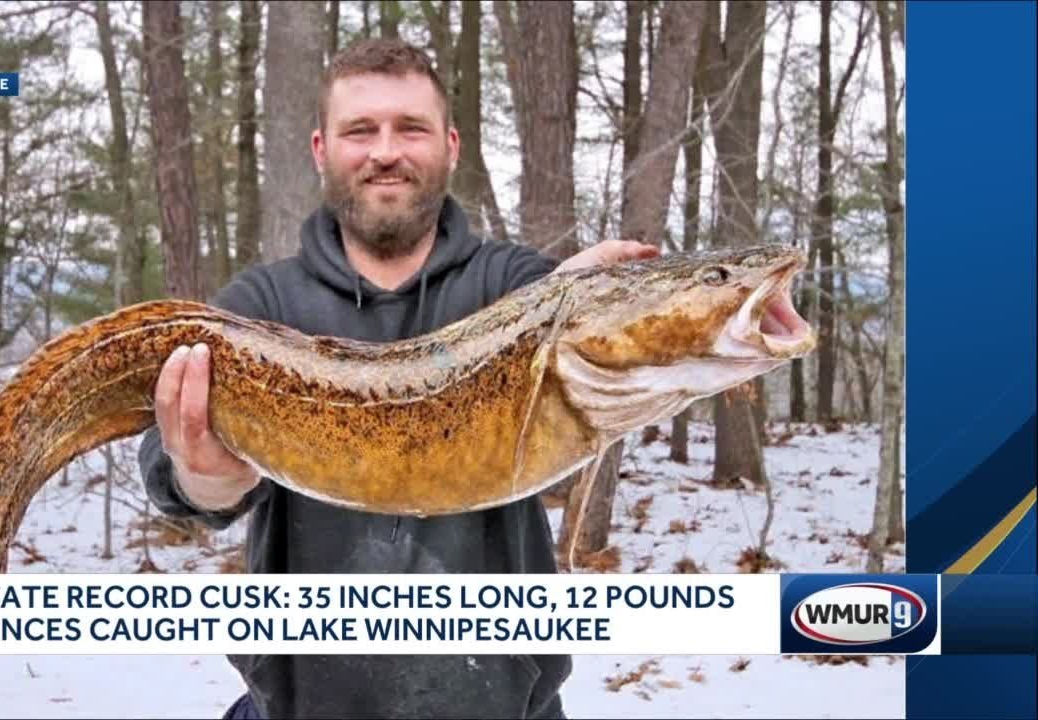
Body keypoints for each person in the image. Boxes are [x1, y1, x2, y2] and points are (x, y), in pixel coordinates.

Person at [138, 38, 658, 720]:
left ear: (449, 144)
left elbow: (574, 336)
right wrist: (204, 478)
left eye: (410, 128)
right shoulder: (262, 308)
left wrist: (587, 301)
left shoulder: (511, 288)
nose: (386, 151)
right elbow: (170, 470)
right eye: (361, 131)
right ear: (322, 149)